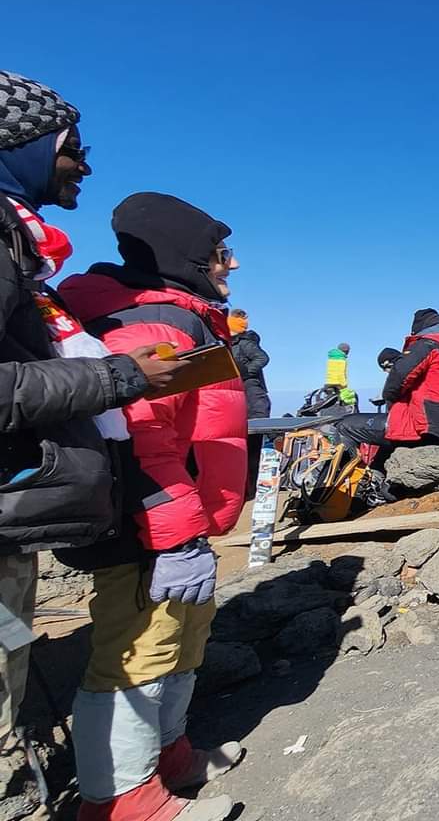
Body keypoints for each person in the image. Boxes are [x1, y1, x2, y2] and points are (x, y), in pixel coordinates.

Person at [0, 72, 182, 818]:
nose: (85, 164)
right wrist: (116, 378)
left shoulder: (19, 248)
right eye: (73, 146)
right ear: (23, 146)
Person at [59, 192, 251, 821]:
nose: (232, 265)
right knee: (136, 652)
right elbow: (143, 437)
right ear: (185, 257)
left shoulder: (179, 317)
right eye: (220, 254)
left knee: (179, 638)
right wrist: (174, 536)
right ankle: (122, 802)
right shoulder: (150, 325)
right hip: (148, 524)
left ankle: (168, 756)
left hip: (179, 519)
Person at [332, 310, 439, 466]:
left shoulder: (426, 345)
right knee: (388, 435)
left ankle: (341, 486)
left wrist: (390, 397)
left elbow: (398, 379)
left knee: (345, 426)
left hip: (426, 426)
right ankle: (378, 480)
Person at [227, 309, 270, 419]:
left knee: (256, 419)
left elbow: (262, 358)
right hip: (237, 388)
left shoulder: (244, 343)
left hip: (250, 387)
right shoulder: (229, 344)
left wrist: (245, 372)